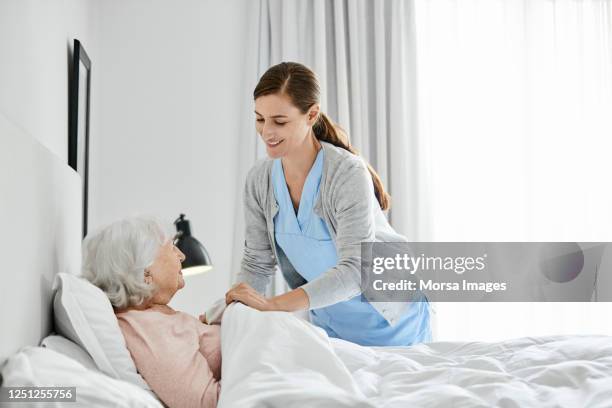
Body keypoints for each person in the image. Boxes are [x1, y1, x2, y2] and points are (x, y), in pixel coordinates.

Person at [224, 61, 431, 347]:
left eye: (279, 121)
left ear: (311, 115)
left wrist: (273, 305)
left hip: (392, 317)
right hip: (332, 321)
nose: (266, 132)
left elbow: (356, 269)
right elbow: (257, 264)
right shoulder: (259, 181)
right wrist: (230, 315)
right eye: (260, 119)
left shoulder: (346, 173)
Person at [82, 217, 220, 408]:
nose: (181, 256)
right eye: (172, 247)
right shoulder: (149, 330)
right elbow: (209, 402)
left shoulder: (153, 316)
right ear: (146, 271)